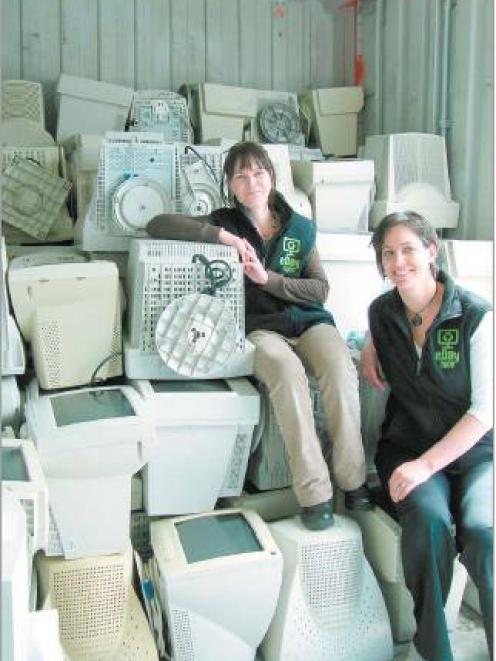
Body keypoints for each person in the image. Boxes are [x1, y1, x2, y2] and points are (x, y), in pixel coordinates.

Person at [147, 141, 372, 530]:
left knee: (339, 370)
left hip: (311, 321)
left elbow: (319, 290)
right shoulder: (225, 222)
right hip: (262, 328)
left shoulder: (300, 227)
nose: (251, 181)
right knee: (287, 375)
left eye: (258, 172)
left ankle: (353, 480)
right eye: (241, 175)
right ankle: (316, 493)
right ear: (230, 185)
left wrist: (269, 280)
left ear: (271, 175)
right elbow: (157, 224)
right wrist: (225, 240)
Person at [360, 211, 493, 661]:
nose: (398, 262)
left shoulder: (475, 316)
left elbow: (486, 411)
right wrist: (368, 348)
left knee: (482, 531)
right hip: (407, 444)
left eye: (408, 249)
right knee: (429, 523)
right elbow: (384, 332)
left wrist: (426, 465)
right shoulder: (381, 313)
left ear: (432, 251)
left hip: (474, 454)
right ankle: (434, 650)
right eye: (388, 253)